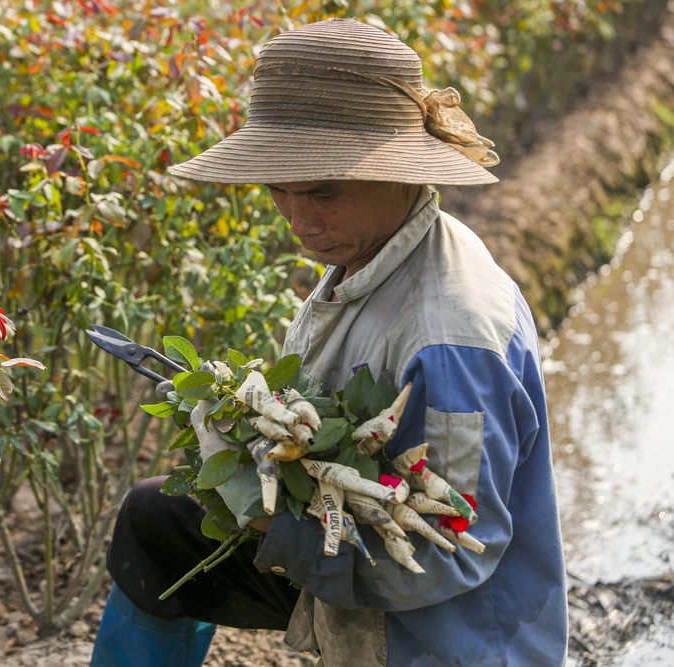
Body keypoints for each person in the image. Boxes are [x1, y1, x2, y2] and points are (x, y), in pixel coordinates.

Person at [91, 18, 568, 667]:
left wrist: (265, 515)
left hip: (442, 635)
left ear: (398, 171)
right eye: (278, 191)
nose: (299, 220)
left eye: (322, 192)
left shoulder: (451, 340)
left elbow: (449, 551)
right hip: (357, 556)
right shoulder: (371, 251)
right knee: (157, 523)